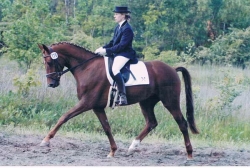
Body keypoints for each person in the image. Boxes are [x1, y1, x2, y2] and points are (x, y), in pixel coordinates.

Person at [95, 6, 138, 106]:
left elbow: (122, 46)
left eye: (116, 14)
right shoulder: (118, 27)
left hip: (125, 53)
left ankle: (123, 95)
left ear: (123, 15)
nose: (114, 16)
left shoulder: (127, 29)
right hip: (118, 53)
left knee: (115, 69)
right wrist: (102, 48)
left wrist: (107, 51)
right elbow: (112, 42)